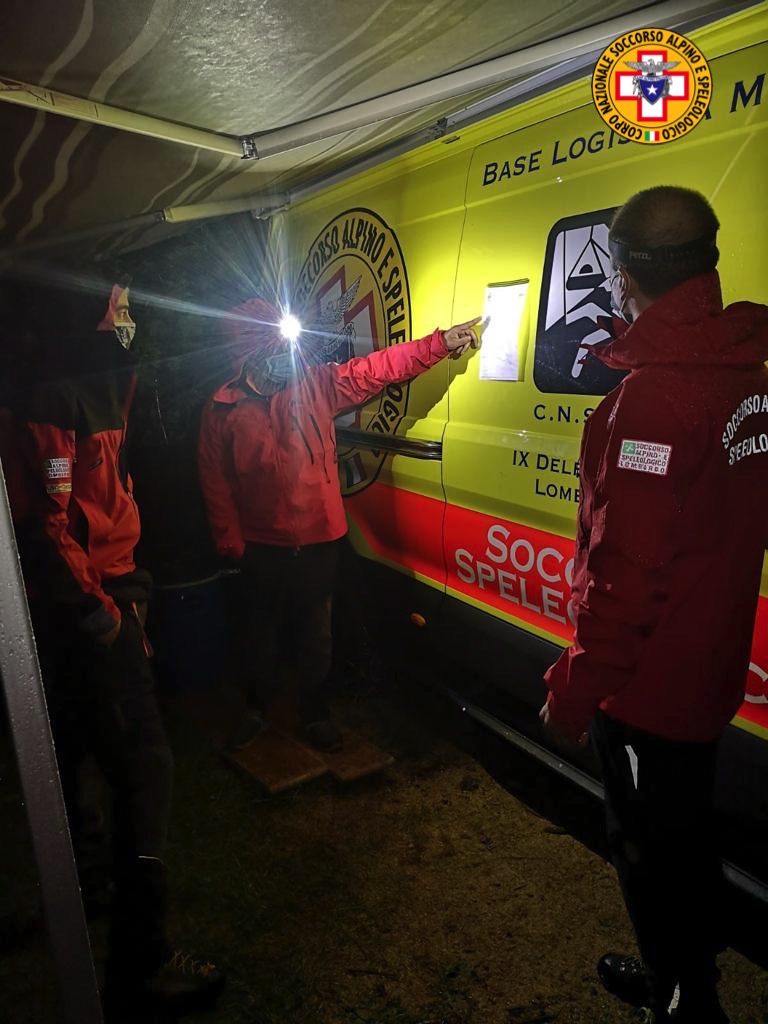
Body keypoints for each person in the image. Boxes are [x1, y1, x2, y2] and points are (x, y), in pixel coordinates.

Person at [540, 186, 768, 1024]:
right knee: (687, 834)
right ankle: (683, 974)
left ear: (626, 274)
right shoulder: (746, 375)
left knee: (647, 851)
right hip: (709, 672)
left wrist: (573, 693)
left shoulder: (655, 399)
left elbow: (624, 579)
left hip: (648, 691)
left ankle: (682, 1003)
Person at [18, 274, 224, 1020]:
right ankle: (142, 959)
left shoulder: (98, 376)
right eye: (120, 304)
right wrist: (103, 616)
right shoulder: (58, 388)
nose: (130, 316)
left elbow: (105, 493)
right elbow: (47, 524)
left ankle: (90, 888)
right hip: (88, 608)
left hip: (106, 593)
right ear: (87, 312)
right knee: (145, 768)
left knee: (81, 751)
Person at [198, 299, 480, 752]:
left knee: (316, 631)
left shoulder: (317, 384)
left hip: (319, 541)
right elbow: (215, 480)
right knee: (260, 629)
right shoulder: (222, 407)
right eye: (271, 346)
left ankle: (315, 713)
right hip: (260, 543)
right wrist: (229, 540)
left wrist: (440, 344)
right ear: (246, 353)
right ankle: (256, 708)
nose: (284, 355)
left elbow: (379, 368)